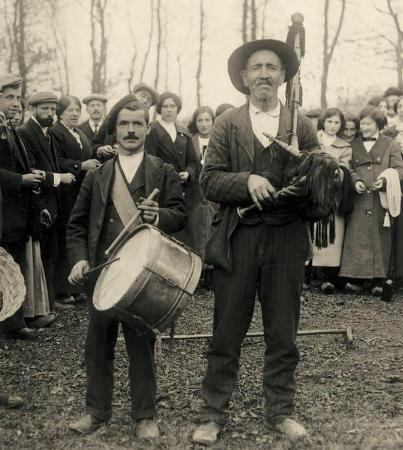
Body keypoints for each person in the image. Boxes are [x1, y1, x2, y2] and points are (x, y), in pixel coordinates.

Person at [192, 39, 319, 445]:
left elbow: (320, 187)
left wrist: (307, 172)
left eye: (272, 67)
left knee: (283, 332)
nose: (264, 73)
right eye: (256, 67)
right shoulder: (229, 122)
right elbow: (208, 179)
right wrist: (247, 180)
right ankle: (213, 413)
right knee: (226, 331)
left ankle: (280, 411)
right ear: (244, 77)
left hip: (286, 242)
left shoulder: (302, 125)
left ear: (284, 76)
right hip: (238, 239)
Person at [66, 100, 187, 438]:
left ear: (148, 129)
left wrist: (158, 214)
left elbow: (181, 214)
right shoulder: (97, 174)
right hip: (103, 273)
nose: (131, 130)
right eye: (124, 124)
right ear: (115, 130)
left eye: (137, 124)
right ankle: (96, 411)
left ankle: (145, 415)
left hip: (142, 276)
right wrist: (79, 259)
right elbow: (76, 225)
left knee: (141, 346)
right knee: (98, 346)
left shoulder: (162, 170)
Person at [17, 92, 76, 316]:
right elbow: (29, 170)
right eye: (45, 109)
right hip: (38, 204)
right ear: (32, 110)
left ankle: (49, 304)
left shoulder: (46, 133)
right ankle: (37, 309)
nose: (50, 113)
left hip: (51, 203)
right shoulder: (25, 133)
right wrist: (59, 177)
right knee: (40, 258)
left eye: (52, 109)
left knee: (51, 254)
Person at [340, 106, 403, 296]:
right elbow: (347, 168)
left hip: (380, 201)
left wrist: (385, 181)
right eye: (362, 123)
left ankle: (379, 280)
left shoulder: (390, 144)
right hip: (358, 201)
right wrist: (355, 181)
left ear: (378, 124)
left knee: (381, 239)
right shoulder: (354, 144)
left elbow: (399, 170)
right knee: (357, 237)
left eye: (369, 123)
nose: (364, 127)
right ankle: (357, 279)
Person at [0, 75, 45, 339]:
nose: (15, 103)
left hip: (15, 211)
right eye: (9, 97)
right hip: (4, 210)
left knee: (12, 266)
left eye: (17, 97)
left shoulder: (8, 127)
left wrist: (30, 178)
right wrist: (21, 180)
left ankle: (13, 322)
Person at [49, 96, 100, 303]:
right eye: (70, 110)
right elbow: (55, 161)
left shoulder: (79, 134)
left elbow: (85, 152)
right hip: (64, 193)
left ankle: (75, 287)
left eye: (77, 110)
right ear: (60, 113)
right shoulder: (55, 133)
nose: (74, 113)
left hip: (79, 193)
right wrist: (81, 166)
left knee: (78, 236)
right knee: (65, 237)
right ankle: (61, 290)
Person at [147, 91, 200, 249]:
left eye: (172, 106)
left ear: (178, 109)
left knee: (184, 234)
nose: (169, 110)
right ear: (159, 109)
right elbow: (149, 159)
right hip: (162, 188)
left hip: (183, 189)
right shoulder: (153, 130)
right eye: (165, 106)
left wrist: (188, 173)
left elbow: (192, 160)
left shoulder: (183, 131)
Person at [311, 108, 352, 294]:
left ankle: (329, 278)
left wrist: (333, 173)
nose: (332, 126)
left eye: (336, 123)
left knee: (333, 236)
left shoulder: (344, 147)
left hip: (333, 196)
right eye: (329, 122)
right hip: (313, 195)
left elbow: (344, 171)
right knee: (312, 232)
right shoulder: (314, 141)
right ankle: (312, 275)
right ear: (323, 122)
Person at [189, 106, 216, 287]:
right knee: (196, 229)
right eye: (200, 120)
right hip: (195, 192)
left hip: (214, 192)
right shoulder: (190, 141)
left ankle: (212, 273)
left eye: (207, 120)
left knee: (212, 229)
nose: (204, 124)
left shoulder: (219, 140)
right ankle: (196, 272)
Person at [93, 83, 159, 158]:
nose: (145, 100)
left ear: (149, 107)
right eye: (142, 96)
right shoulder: (111, 121)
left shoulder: (149, 130)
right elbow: (95, 143)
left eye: (149, 100)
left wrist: (128, 154)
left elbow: (151, 159)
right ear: (133, 96)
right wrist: (100, 149)